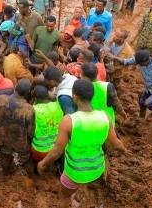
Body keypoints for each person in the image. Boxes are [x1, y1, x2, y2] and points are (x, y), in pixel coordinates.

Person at [37, 79, 128, 208]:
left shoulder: (68, 121)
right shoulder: (105, 117)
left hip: (75, 171)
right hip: (97, 168)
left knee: (64, 196)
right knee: (92, 181)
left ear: (74, 97)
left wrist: (43, 163)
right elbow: (116, 143)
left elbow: (57, 151)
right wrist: (124, 150)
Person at [0, 79, 34, 175]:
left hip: (2, 137)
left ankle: (5, 174)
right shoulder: (29, 109)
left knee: (5, 155)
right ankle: (31, 178)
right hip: (18, 140)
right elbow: (30, 132)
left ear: (15, 87)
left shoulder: (0, 99)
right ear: (28, 93)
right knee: (27, 159)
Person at [109, 49, 152, 118]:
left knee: (149, 103)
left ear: (147, 59)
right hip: (149, 89)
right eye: (139, 64)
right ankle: (141, 119)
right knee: (142, 103)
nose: (141, 65)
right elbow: (127, 61)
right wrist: (115, 57)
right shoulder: (140, 60)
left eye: (141, 64)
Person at [30, 85, 63, 162]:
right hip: (56, 149)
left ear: (35, 98)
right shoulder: (57, 105)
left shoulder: (34, 110)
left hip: (39, 149)